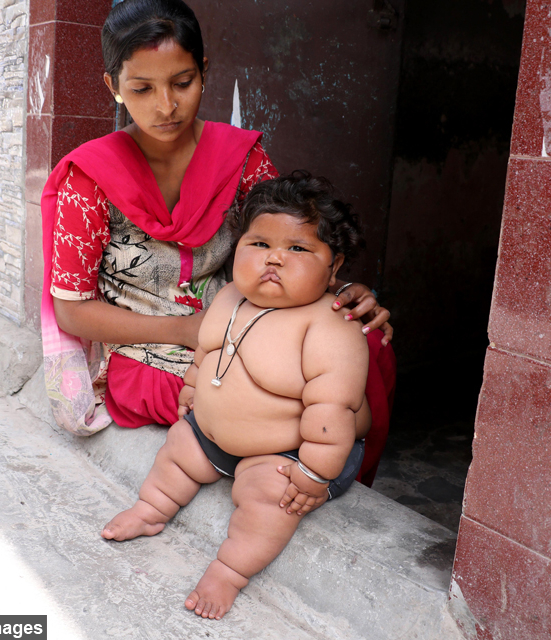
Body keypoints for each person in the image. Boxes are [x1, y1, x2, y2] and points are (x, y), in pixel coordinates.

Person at [40, 0, 395, 486]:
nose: (165, 106)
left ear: (204, 72)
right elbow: (73, 311)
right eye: (142, 88)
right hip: (153, 351)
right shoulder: (90, 178)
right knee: (278, 405)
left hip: (247, 324)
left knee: (360, 347)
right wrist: (188, 331)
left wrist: (337, 290)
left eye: (182, 83)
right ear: (114, 88)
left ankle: (324, 478)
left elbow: (281, 243)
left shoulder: (240, 158)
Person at [102, 172, 370, 620]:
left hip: (290, 454)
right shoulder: (229, 297)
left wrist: (314, 472)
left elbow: (332, 408)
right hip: (212, 437)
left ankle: (229, 571)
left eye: (298, 249)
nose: (274, 260)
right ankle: (151, 508)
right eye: (259, 244)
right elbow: (206, 352)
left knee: (269, 499)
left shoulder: (327, 325)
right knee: (177, 449)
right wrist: (191, 391)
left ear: (335, 268)